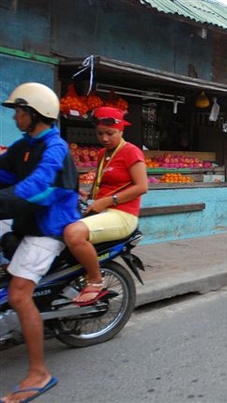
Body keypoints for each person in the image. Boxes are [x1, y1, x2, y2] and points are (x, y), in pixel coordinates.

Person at [0, 82, 80, 403]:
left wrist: (5, 200)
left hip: (48, 227)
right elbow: (4, 174)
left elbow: (37, 186)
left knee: (19, 295)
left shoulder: (55, 148)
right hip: (26, 219)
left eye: (20, 111)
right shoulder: (24, 146)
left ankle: (39, 373)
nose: (16, 116)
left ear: (35, 114)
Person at [63, 106, 147, 306]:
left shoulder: (131, 151)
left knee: (73, 234)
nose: (105, 138)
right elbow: (103, 184)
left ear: (121, 131)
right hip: (102, 210)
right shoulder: (102, 154)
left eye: (110, 133)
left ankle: (95, 280)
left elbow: (142, 187)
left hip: (122, 215)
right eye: (100, 133)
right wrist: (85, 195)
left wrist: (107, 201)